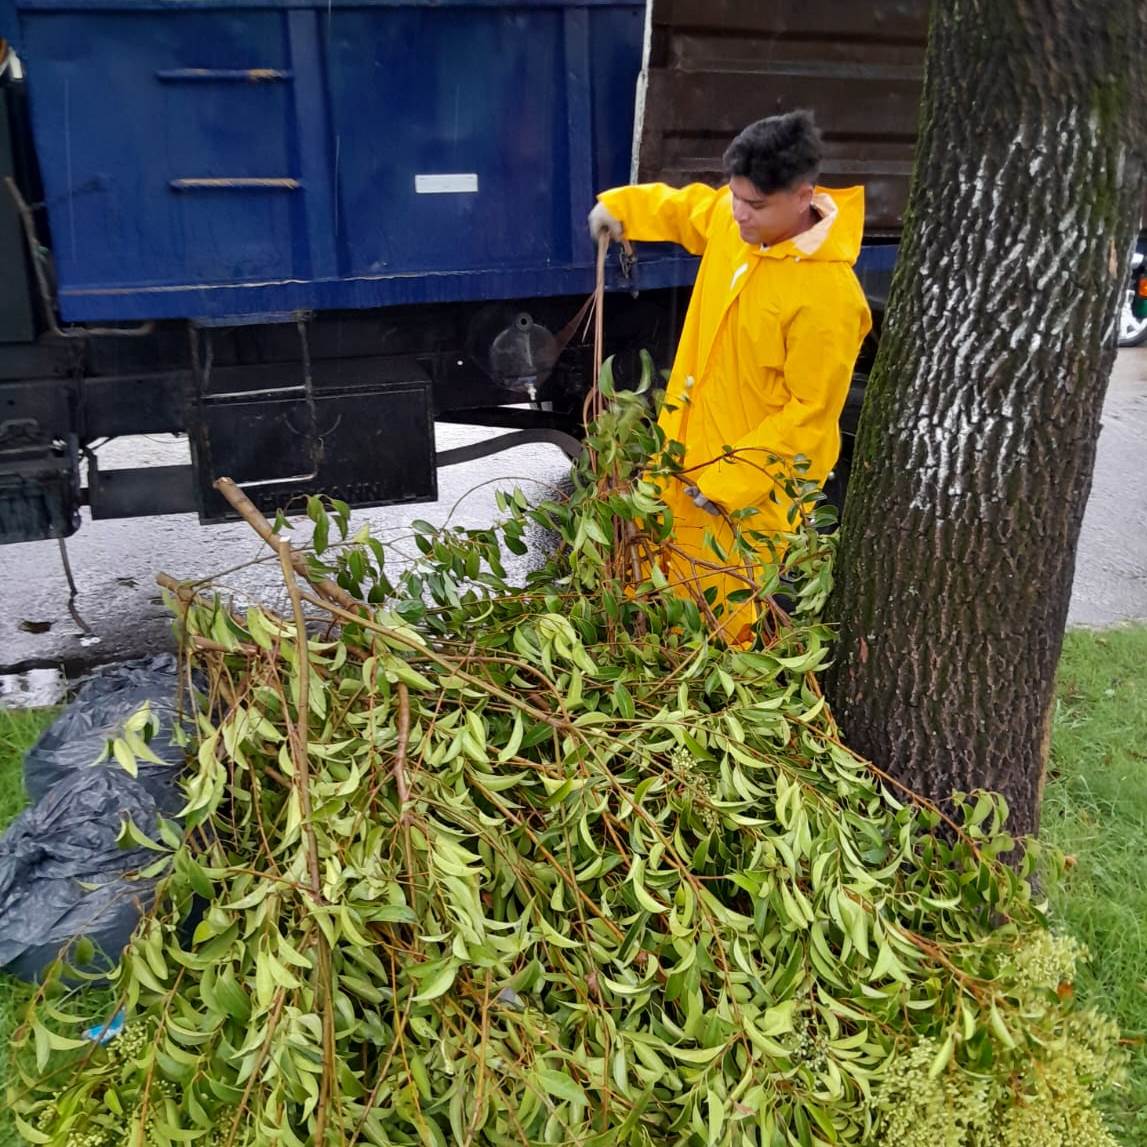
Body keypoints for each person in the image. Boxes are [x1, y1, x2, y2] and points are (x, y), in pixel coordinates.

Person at [588, 110, 871, 638]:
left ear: (803, 196)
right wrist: (623, 209)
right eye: (735, 196)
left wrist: (728, 482)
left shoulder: (829, 299)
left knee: (720, 624)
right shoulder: (736, 223)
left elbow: (810, 415)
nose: (739, 213)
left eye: (755, 205)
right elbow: (690, 209)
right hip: (682, 459)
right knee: (649, 598)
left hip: (745, 503)